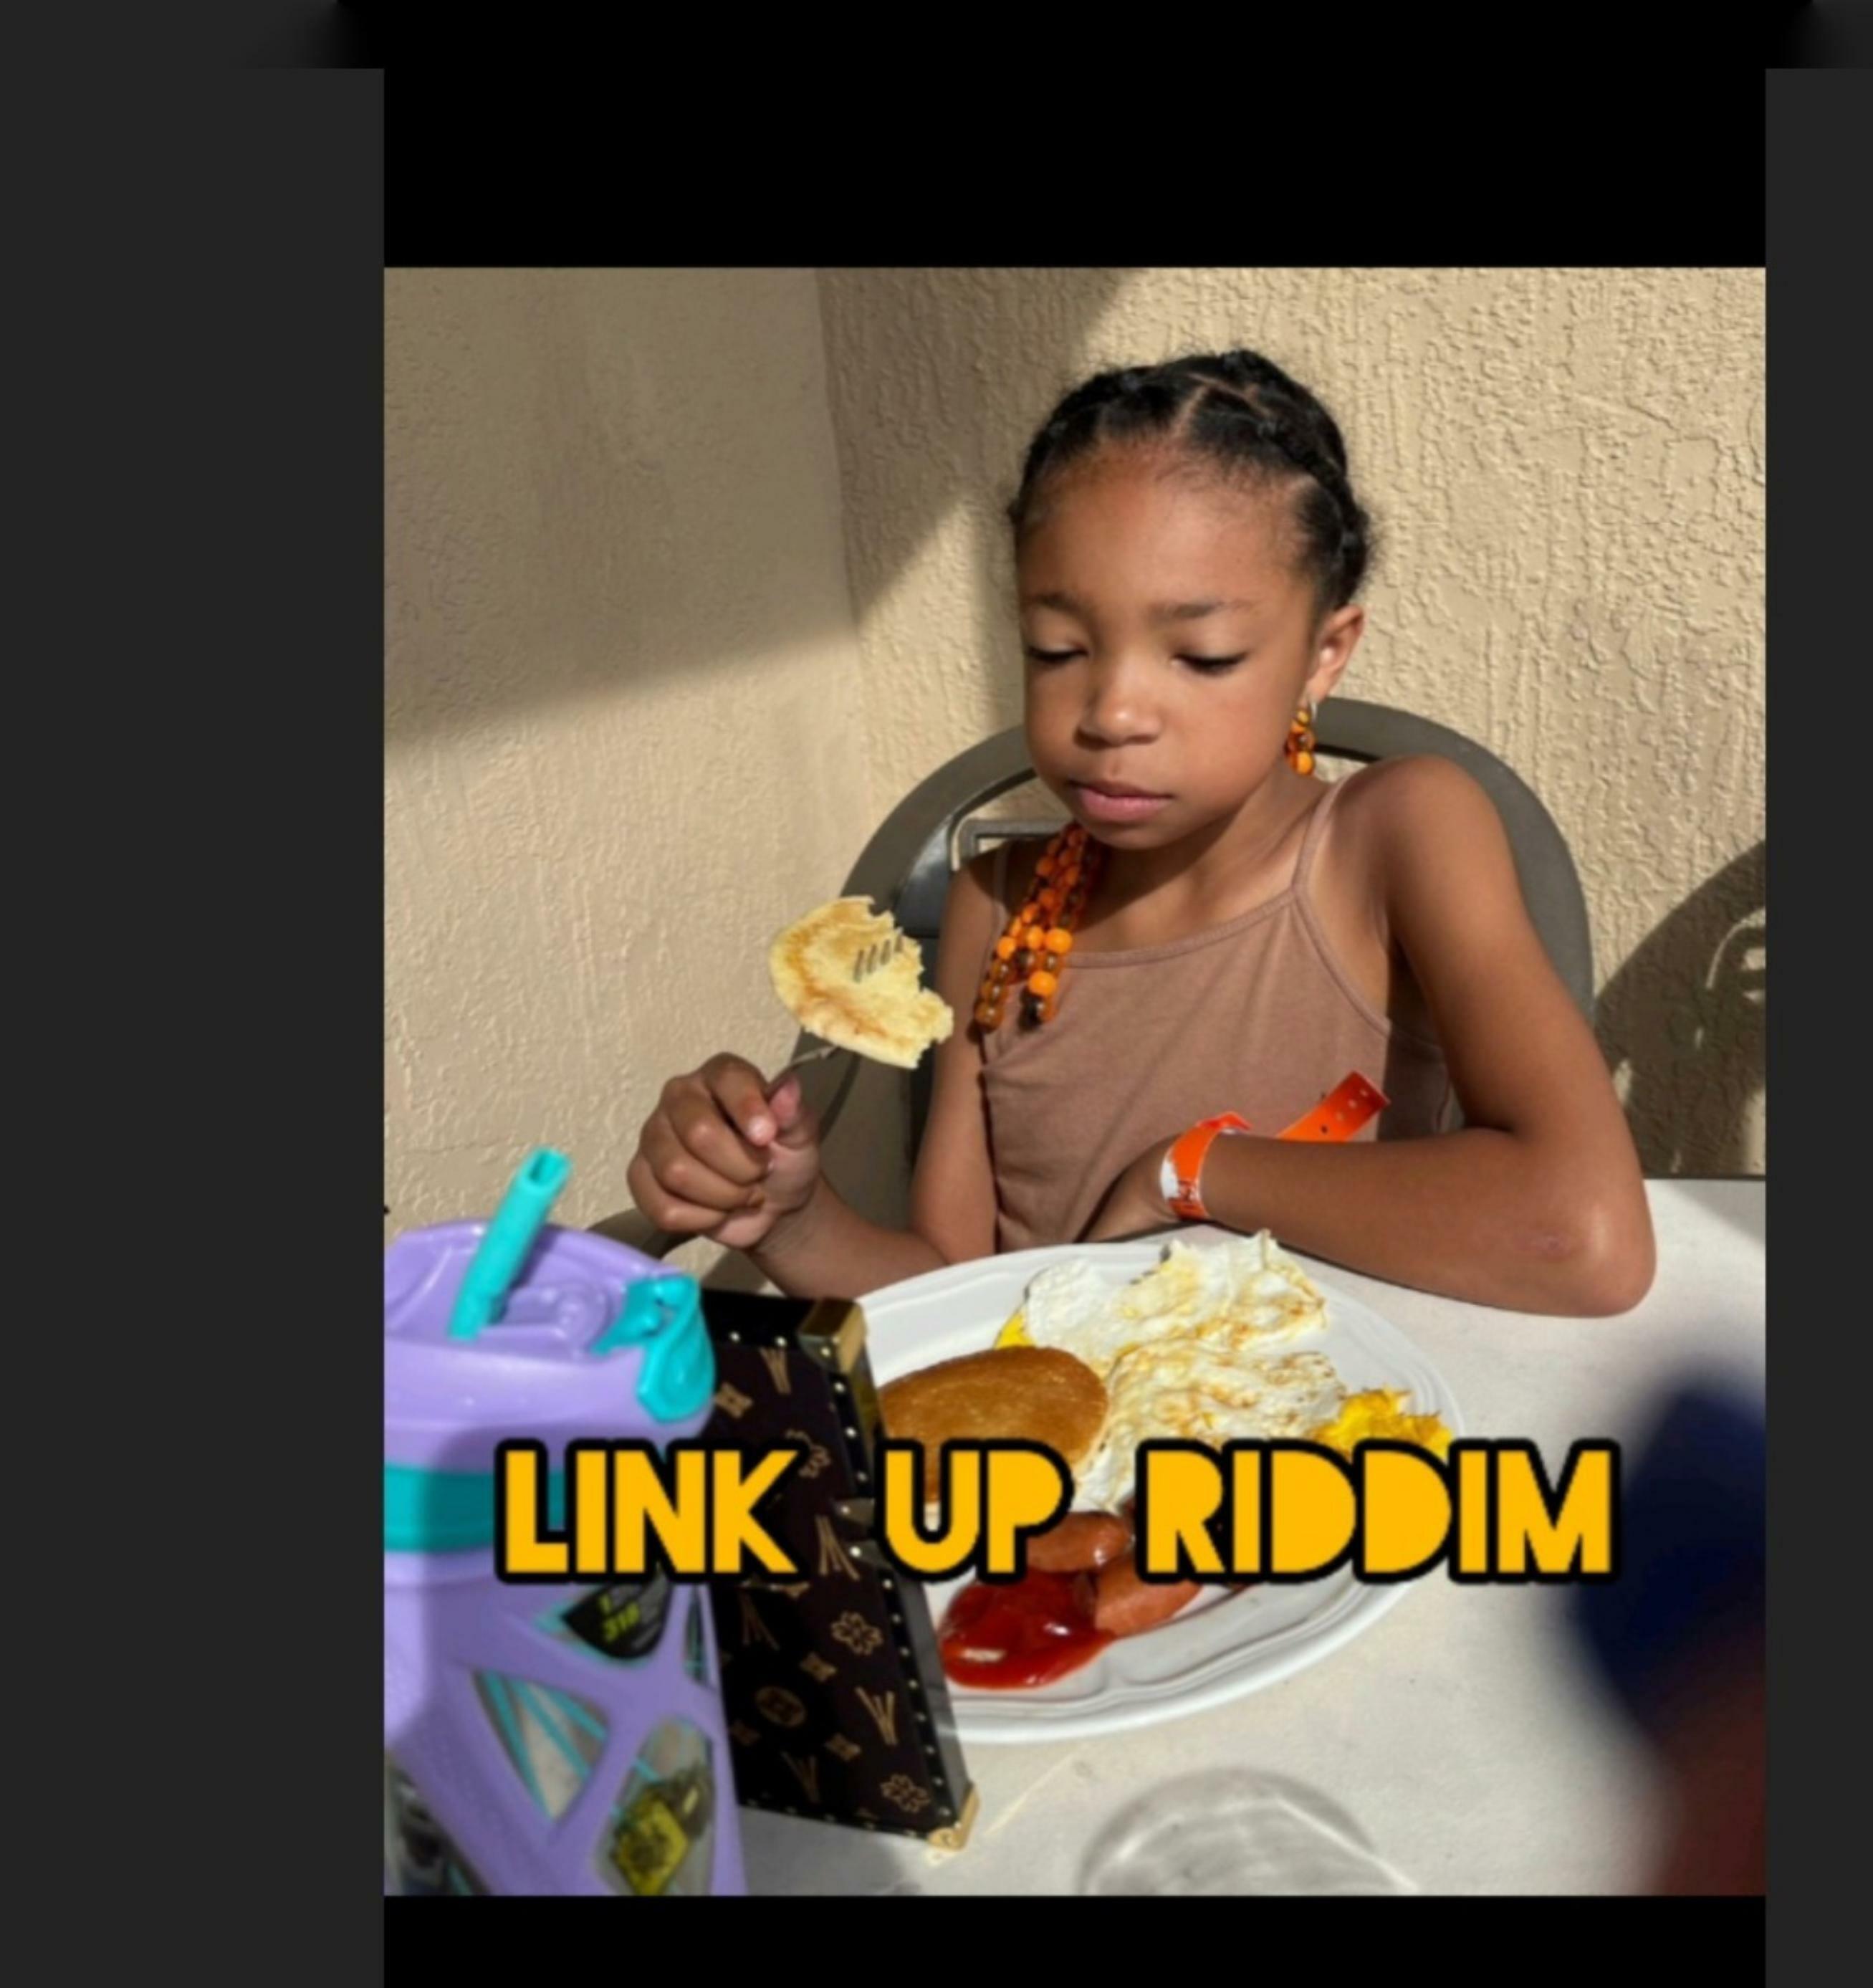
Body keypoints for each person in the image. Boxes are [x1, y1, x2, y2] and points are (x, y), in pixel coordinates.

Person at [628, 351, 1653, 1313]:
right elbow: (959, 1294)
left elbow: (1583, 1236)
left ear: (1324, 654)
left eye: (1202, 657)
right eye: (1056, 648)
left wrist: (1189, 1172)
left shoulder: (1395, 837)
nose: (1112, 712)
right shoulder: (999, 913)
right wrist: (789, 1218)